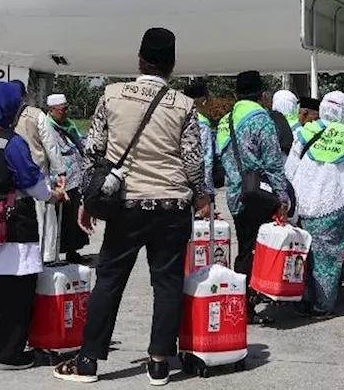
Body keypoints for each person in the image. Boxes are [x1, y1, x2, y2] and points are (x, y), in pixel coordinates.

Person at [53, 27, 209, 385]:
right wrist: (200, 196)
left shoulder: (111, 96)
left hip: (126, 206)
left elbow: (91, 152)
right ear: (171, 65)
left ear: (139, 60)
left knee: (109, 279)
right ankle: (158, 363)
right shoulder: (184, 105)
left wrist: (87, 201)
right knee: (167, 282)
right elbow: (192, 161)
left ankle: (89, 361)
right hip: (172, 206)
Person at [0, 82, 66, 371]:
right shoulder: (12, 142)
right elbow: (32, 183)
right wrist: (54, 195)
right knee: (16, 288)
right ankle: (5, 354)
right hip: (14, 222)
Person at [215, 70, 290, 325]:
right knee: (259, 249)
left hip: (236, 195)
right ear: (262, 94)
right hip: (259, 194)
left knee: (245, 249)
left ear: (236, 94)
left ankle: (241, 302)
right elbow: (273, 163)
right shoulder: (261, 120)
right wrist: (282, 200)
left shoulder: (226, 120)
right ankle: (251, 300)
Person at [284, 91, 344, 318]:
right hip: (333, 206)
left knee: (304, 255)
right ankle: (322, 305)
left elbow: (290, 169)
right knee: (328, 260)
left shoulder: (305, 133)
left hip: (303, 205)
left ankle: (303, 298)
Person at [13, 85, 67, 261]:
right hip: (37, 174)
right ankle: (47, 255)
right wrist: (61, 170)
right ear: (26, 95)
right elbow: (50, 145)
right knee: (45, 215)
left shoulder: (5, 114)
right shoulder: (37, 115)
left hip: (13, 175)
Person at [46, 93, 88, 264]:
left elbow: (80, 142)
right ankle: (54, 253)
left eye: (66, 109)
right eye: (62, 110)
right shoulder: (47, 128)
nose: (65, 113)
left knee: (74, 218)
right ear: (52, 110)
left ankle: (73, 250)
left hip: (75, 178)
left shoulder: (69, 126)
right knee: (59, 219)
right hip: (60, 180)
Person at [182, 80, 218, 196]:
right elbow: (206, 159)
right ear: (203, 101)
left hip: (181, 182)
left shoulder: (180, 118)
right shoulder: (202, 123)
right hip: (199, 187)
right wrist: (206, 191)